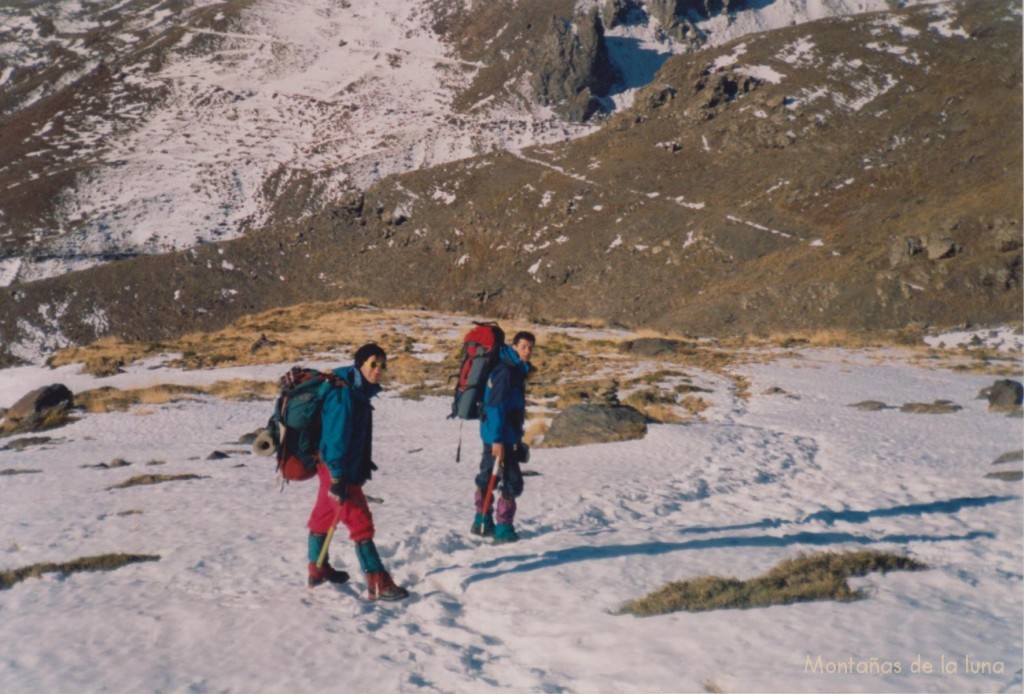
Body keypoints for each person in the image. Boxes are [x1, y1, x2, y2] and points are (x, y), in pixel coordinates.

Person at [306, 343, 409, 601]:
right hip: (336, 468)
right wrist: (338, 478)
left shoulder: (357, 391)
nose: (378, 370)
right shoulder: (345, 395)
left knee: (324, 514)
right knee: (360, 521)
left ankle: (317, 568)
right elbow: (336, 437)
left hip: (333, 465)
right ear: (360, 364)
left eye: (382, 365)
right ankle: (378, 582)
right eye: (373, 363)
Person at [472, 331, 536, 543]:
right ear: (514, 346)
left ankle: (482, 522)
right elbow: (496, 406)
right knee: (511, 482)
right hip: (498, 436)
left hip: (502, 434)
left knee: (490, 475)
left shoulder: (514, 368)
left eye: (531, 347)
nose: (528, 351)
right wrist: (498, 440)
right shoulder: (506, 371)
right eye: (524, 346)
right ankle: (503, 529)